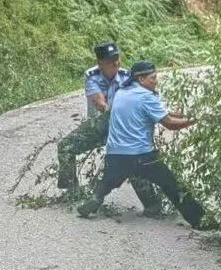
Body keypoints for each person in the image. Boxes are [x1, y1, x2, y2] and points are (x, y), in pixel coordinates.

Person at [77, 61, 214, 230]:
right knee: (172, 185)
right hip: (141, 155)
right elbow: (170, 124)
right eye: (153, 78)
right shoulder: (146, 97)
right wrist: (196, 119)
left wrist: (182, 114)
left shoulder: (121, 93)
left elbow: (157, 112)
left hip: (115, 154)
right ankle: (199, 220)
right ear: (141, 79)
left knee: (109, 180)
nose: (156, 81)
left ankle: (96, 198)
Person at [56, 42, 162, 216]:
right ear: (100, 64)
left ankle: (152, 205)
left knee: (133, 158)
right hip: (100, 124)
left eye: (117, 59)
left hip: (121, 127)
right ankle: (73, 193)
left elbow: (145, 98)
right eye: (111, 62)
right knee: (65, 147)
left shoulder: (128, 77)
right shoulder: (92, 76)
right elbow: (99, 102)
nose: (116, 63)